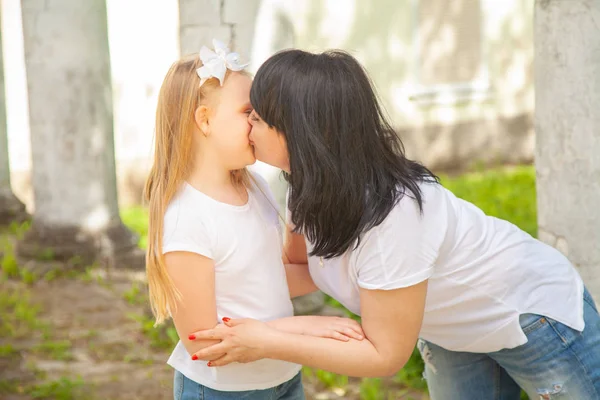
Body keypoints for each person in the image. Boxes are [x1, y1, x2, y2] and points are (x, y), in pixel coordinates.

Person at [188, 49, 600, 400]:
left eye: (257, 117)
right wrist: (209, 286)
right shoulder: (305, 186)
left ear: (300, 130)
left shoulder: (393, 216)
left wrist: (268, 341)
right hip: (450, 329)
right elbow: (297, 270)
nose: (248, 127)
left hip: (527, 314)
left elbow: (385, 356)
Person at [144, 41, 364, 400]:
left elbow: (265, 280)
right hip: (225, 391)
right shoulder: (187, 217)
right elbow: (204, 339)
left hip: (283, 375)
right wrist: (307, 328)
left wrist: (346, 270)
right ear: (204, 120)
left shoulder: (256, 185)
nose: (257, 122)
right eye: (247, 111)